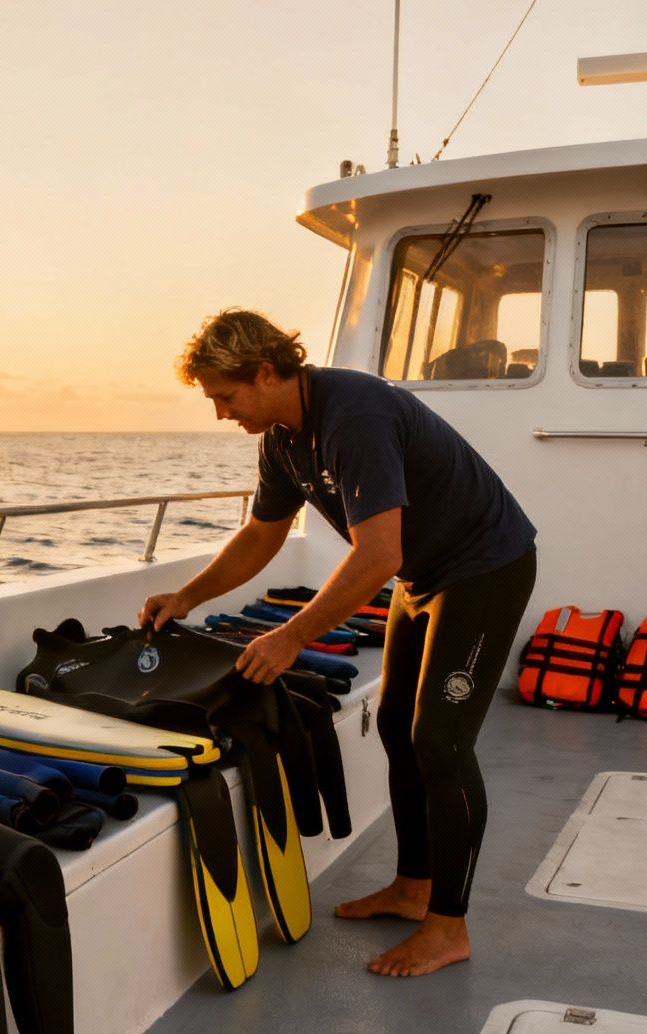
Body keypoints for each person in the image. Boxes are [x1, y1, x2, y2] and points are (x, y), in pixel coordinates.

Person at [141, 308, 536, 977]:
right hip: (425, 577)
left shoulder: (354, 415)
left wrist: (293, 636)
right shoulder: (284, 439)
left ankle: (449, 927)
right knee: (395, 723)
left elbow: (378, 554)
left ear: (267, 372)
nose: (220, 413)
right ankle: (414, 888)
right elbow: (262, 536)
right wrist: (187, 598)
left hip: (484, 569)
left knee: (440, 741)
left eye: (227, 397)